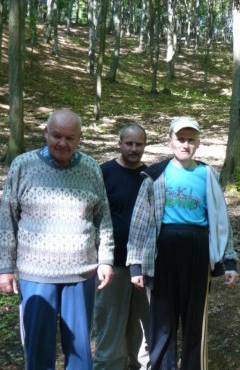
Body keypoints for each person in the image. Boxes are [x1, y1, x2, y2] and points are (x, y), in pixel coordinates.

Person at [0, 109, 114, 370]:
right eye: (56, 136)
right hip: (36, 275)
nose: (63, 143)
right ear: (46, 133)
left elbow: (103, 218)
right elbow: (6, 218)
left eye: (70, 138)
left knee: (79, 351)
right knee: (38, 349)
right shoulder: (23, 165)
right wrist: (5, 267)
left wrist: (106, 259)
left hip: (81, 273)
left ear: (79, 138)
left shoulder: (90, 168)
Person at [126, 116, 238, 370]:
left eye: (191, 140)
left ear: (198, 143)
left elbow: (221, 220)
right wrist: (135, 264)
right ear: (170, 141)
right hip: (163, 251)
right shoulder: (156, 175)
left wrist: (229, 260)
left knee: (194, 320)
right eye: (180, 139)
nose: (185, 145)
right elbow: (140, 221)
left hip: (197, 252)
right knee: (162, 320)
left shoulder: (207, 175)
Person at [93, 124, 151, 370]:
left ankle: (140, 366)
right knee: (110, 321)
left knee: (142, 323)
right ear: (120, 143)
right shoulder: (103, 172)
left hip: (144, 264)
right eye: (129, 143)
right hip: (112, 264)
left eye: (139, 144)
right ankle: (108, 366)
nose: (134, 149)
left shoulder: (150, 177)